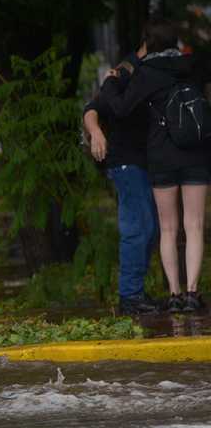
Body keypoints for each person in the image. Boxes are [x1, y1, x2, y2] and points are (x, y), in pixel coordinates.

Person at [103, 19, 210, 313]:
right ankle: (192, 294)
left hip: (162, 155)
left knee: (168, 228)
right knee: (195, 225)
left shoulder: (146, 73)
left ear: (148, 43)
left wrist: (111, 81)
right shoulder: (194, 65)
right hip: (196, 152)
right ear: (175, 41)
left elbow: (121, 108)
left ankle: (174, 295)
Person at [83, 55, 160, 315]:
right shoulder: (123, 76)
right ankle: (130, 296)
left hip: (141, 164)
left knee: (150, 229)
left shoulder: (151, 76)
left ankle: (134, 292)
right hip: (125, 163)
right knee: (137, 229)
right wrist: (96, 133)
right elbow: (92, 109)